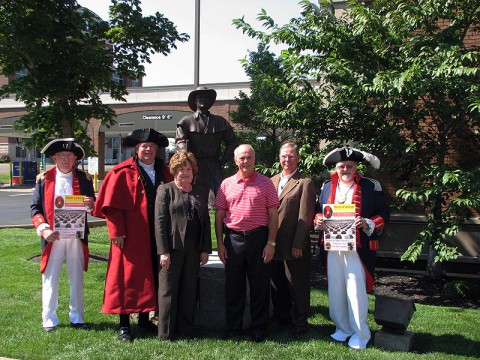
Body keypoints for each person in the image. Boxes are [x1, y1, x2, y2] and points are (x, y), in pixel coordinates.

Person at [93, 128, 173, 342]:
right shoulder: (121, 172)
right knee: (126, 278)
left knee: (150, 277)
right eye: (144, 147)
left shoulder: (165, 171)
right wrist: (117, 232)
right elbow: (112, 206)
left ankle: (145, 320)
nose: (148, 150)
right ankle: (124, 326)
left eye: (152, 147)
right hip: (130, 236)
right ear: (137, 149)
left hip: (157, 234)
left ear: (157, 150)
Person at [315, 146, 390, 349]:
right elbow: (318, 211)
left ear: (356, 166)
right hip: (333, 247)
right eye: (341, 166)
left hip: (357, 248)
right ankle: (342, 328)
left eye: (349, 165)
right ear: (336, 168)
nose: (345, 169)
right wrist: (319, 220)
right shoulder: (326, 186)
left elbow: (384, 214)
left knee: (355, 290)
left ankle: (360, 333)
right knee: (336, 288)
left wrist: (367, 223)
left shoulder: (370, 186)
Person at [215, 144, 279, 342]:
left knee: (259, 287)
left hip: (259, 239)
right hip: (233, 240)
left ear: (254, 159)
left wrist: (271, 243)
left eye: (249, 157)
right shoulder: (226, 184)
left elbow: (273, 215)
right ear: (235, 160)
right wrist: (220, 244)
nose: (245, 161)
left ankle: (259, 328)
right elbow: (219, 215)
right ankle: (234, 328)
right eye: (242, 158)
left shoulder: (266, 183)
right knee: (234, 287)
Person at [31, 138, 95, 332]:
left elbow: (92, 204)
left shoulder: (84, 178)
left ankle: (77, 317)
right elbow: (35, 209)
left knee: (76, 277)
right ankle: (49, 319)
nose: (66, 160)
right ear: (54, 158)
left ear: (75, 158)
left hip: (76, 235)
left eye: (70, 156)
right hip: (53, 236)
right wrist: (44, 228)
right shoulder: (44, 179)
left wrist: (90, 204)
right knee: (51, 276)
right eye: (62, 156)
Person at [154, 151, 211, 340]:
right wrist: (163, 251)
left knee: (189, 291)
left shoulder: (201, 191)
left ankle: (186, 331)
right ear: (174, 171)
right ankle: (166, 333)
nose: (185, 173)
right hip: (172, 249)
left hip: (194, 250)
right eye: (181, 169)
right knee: (168, 291)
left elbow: (206, 222)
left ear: (193, 171)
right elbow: (160, 222)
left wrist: (205, 249)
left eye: (188, 169)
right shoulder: (165, 190)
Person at [270, 142, 316, 336]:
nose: (286, 160)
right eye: (283, 156)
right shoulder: (271, 181)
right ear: (279, 158)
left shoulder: (305, 182)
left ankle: (300, 324)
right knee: (277, 284)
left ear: (297, 158)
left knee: (297, 285)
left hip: (294, 244)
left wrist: (299, 243)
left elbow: (305, 216)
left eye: (290, 156)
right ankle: (282, 319)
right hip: (273, 243)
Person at [175, 86, 238, 200]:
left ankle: (222, 217)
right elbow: (180, 142)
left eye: (206, 97)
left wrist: (225, 158)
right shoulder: (186, 121)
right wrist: (187, 159)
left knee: (222, 196)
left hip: (215, 165)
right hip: (195, 166)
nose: (203, 99)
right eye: (200, 96)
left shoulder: (220, 121)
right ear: (195, 100)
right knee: (194, 196)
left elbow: (233, 142)